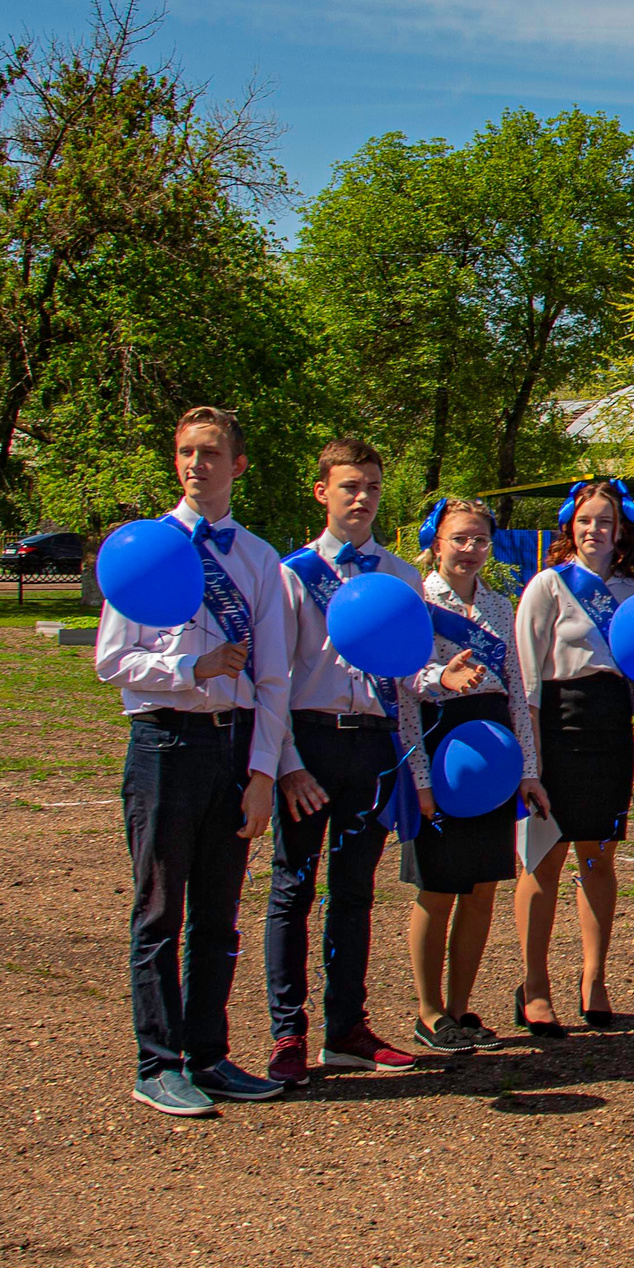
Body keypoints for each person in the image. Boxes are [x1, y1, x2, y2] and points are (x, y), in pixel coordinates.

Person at [95, 405, 293, 1116]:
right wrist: (193, 662)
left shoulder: (260, 559)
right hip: (164, 745)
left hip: (232, 745)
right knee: (159, 911)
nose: (195, 464)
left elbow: (274, 677)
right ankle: (157, 1061)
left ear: (236, 464)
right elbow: (112, 659)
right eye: (185, 452)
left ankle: (208, 1054)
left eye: (210, 452)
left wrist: (264, 771)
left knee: (219, 913)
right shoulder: (146, 547)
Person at [267, 436, 430, 1082]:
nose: (361, 498)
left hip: (372, 746)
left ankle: (347, 1028)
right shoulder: (292, 574)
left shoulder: (402, 577)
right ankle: (288, 1033)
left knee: (355, 892)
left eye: (371, 486)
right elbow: (272, 678)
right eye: (349, 486)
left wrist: (448, 674)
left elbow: (412, 675)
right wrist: (286, 764)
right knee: (292, 888)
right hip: (309, 745)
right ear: (322, 492)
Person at [511, 479, 634, 1036]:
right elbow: (526, 679)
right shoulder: (548, 585)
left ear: (621, 530)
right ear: (568, 528)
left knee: (599, 861)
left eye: (605, 521)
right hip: (556, 723)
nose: (594, 530)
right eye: (585, 521)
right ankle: (535, 985)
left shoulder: (632, 595)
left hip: (609, 728)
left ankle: (594, 979)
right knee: (544, 860)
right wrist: (530, 762)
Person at [404, 497, 549, 1055]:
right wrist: (418, 777)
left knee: (483, 891)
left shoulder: (497, 604)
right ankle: (429, 1011)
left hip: (495, 755)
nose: (469, 549)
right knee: (437, 889)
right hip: (442, 747)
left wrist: (528, 771)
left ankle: (462, 1010)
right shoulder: (418, 600)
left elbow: (517, 694)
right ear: (435, 542)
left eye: (479, 540)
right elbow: (403, 691)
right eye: (459, 538)